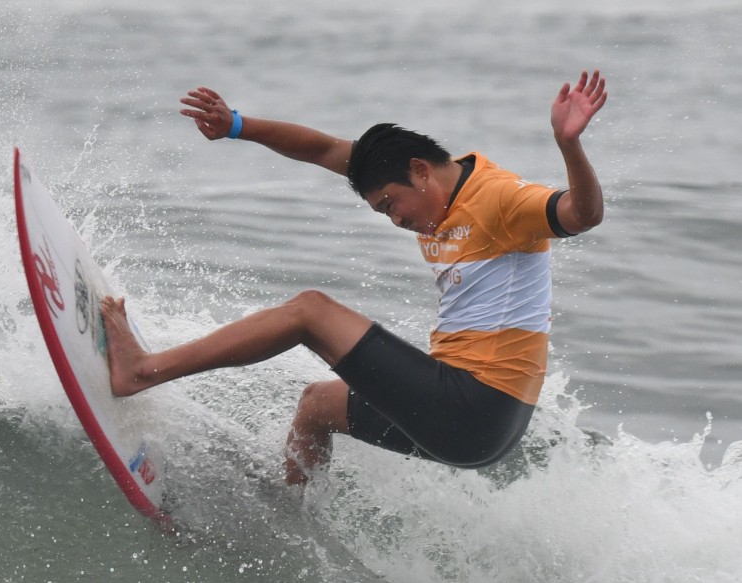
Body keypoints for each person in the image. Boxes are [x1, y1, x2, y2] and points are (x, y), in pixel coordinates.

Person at [102, 71, 608, 485]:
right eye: (382, 210)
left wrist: (569, 144)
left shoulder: (502, 200)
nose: (395, 220)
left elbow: (581, 215)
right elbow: (323, 149)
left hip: (476, 405)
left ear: (421, 170)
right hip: (479, 422)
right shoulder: (430, 183)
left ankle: (143, 372)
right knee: (315, 407)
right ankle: (292, 519)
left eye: (391, 204)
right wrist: (236, 124)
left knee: (310, 312)